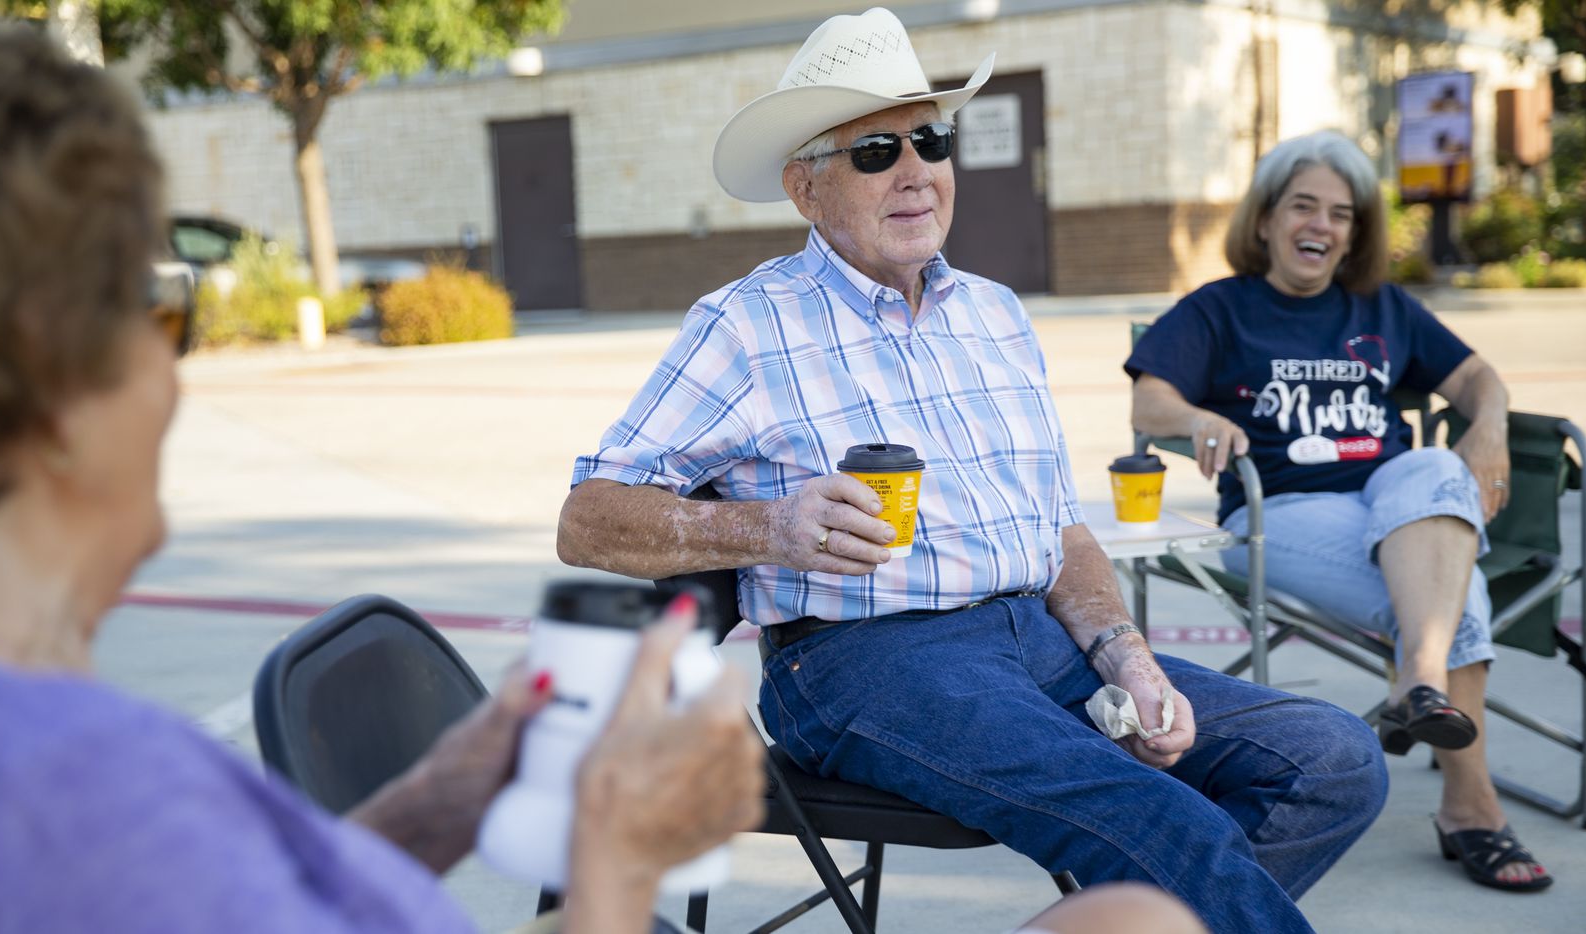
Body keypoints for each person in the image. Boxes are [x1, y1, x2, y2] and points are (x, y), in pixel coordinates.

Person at [557, 8, 1389, 931]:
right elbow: (586, 518)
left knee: (1333, 757)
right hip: (865, 665)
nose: (915, 170)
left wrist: (1129, 654)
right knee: (1163, 823)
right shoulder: (748, 325)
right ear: (807, 187)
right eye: (876, 150)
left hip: (1042, 646)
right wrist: (768, 527)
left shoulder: (993, 314)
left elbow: (1057, 527)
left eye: (931, 139)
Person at [0, 24, 765, 934]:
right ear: (54, 380)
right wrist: (622, 863)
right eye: (161, 310)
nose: (175, 371)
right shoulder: (89, 807)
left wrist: (440, 802)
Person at [1124, 129, 1551, 893]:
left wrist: (1488, 427)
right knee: (1462, 595)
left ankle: (1416, 686)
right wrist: (1195, 419)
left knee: (1429, 463)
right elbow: (1150, 396)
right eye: (1303, 206)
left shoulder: (1382, 308)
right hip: (1276, 515)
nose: (1321, 225)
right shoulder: (1221, 309)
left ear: (1356, 234)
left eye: (1341, 214)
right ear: (1264, 220)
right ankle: (1470, 807)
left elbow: (1478, 377)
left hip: (1393, 505)